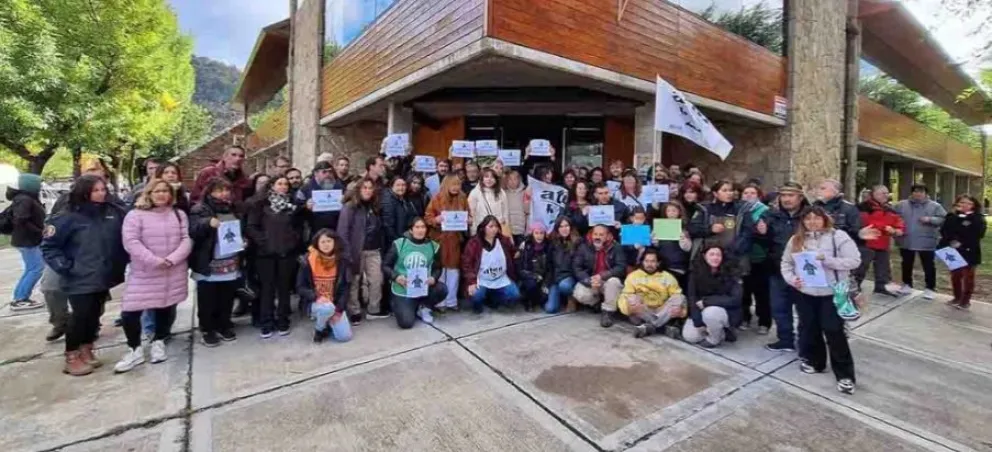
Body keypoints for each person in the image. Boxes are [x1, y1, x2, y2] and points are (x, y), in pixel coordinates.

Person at [41, 175, 128, 376]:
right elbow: (50, 246)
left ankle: (86, 347)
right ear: (84, 191)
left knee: (94, 315)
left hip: (104, 275)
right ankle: (71, 355)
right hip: (79, 277)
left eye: (103, 189)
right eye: (96, 190)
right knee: (79, 317)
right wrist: (66, 267)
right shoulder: (67, 216)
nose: (101, 194)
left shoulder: (112, 213)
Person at [114, 179, 192, 373]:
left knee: (166, 306)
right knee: (130, 311)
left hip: (172, 269)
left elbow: (186, 239)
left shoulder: (179, 214)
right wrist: (154, 260)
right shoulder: (135, 215)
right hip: (145, 271)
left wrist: (173, 259)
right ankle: (134, 349)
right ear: (149, 193)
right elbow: (131, 241)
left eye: (165, 191)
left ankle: (159, 341)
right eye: (157, 191)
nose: (161, 194)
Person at [780, 206, 859, 395]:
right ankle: (816, 362)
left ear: (824, 219)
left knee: (834, 331)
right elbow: (786, 263)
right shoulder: (796, 240)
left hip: (832, 293)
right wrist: (793, 280)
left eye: (816, 218)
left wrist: (827, 260)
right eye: (808, 219)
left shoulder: (838, 236)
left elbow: (854, 260)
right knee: (810, 328)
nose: (812, 222)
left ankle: (845, 375)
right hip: (805, 293)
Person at [247, 175, 305, 337]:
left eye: (286, 184)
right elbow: (251, 227)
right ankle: (267, 322)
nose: (283, 187)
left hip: (286, 254)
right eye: (279, 183)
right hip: (265, 255)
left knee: (284, 289)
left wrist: (293, 240)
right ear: (272, 186)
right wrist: (264, 241)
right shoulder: (260, 204)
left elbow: (299, 227)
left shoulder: (292, 206)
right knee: (267, 289)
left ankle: (283, 321)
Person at [188, 177, 243, 347]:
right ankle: (207, 329)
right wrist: (207, 223)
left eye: (226, 190)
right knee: (207, 299)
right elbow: (193, 229)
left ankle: (224, 324)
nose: (224, 193)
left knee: (226, 297)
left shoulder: (233, 208)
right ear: (210, 192)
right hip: (209, 261)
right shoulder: (200, 209)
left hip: (229, 261)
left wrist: (243, 241)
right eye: (219, 190)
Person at [760, 182, 810, 352]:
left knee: (805, 310)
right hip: (777, 269)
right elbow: (762, 240)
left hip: (803, 271)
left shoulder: (810, 216)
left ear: (800, 197)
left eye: (791, 195)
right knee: (779, 308)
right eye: (783, 195)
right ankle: (785, 340)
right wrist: (760, 231)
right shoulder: (772, 214)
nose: (787, 199)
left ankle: (807, 343)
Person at [382, 217, 447, 327]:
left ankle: (424, 307)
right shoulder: (399, 244)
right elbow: (385, 266)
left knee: (442, 289)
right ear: (411, 230)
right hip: (403, 289)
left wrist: (433, 278)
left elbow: (438, 268)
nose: (420, 230)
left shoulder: (433, 246)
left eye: (423, 227)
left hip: (424, 287)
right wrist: (396, 277)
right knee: (406, 323)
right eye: (417, 227)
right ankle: (402, 305)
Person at [337, 178, 386, 322]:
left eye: (370, 188)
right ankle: (354, 311)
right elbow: (342, 232)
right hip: (356, 250)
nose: (368, 190)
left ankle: (373, 309)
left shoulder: (375, 206)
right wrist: (346, 253)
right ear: (358, 190)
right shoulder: (350, 207)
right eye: (364, 187)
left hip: (374, 250)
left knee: (376, 280)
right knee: (354, 281)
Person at [296, 228, 352, 342]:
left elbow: (345, 288)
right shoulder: (307, 260)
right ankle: (319, 329)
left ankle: (328, 322)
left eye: (329, 241)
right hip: (315, 303)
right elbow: (300, 287)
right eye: (323, 242)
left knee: (344, 337)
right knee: (327, 308)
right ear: (317, 243)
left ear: (334, 242)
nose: (326, 244)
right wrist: (316, 297)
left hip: (334, 303)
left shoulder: (342, 260)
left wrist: (339, 310)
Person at [619, 248, 687, 339]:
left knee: (680, 298)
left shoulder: (668, 277)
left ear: (658, 263)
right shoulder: (633, 276)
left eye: (653, 261)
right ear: (642, 262)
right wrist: (628, 308)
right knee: (631, 298)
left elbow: (678, 296)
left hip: (661, 310)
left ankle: (649, 327)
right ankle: (662, 327)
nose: (649, 264)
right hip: (642, 312)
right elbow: (624, 296)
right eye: (646, 261)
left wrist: (682, 312)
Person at [425, 175, 470, 311]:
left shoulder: (462, 198)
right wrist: (436, 220)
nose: (456, 187)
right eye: (453, 184)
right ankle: (440, 302)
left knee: (454, 271)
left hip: (455, 239)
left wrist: (469, 220)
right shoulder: (437, 198)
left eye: (458, 184)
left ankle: (451, 301)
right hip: (440, 239)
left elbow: (468, 214)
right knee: (441, 270)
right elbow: (427, 217)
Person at [682, 245, 741, 348]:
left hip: (724, 312)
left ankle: (715, 339)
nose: (715, 258)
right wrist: (698, 322)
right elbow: (692, 297)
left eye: (718, 255)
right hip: (700, 311)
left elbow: (735, 299)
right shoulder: (695, 272)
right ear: (705, 256)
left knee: (711, 313)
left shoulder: (731, 272)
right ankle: (719, 332)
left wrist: (707, 302)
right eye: (712, 254)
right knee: (690, 336)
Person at [894, 184, 947, 299]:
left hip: (926, 241)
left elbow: (944, 219)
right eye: (915, 191)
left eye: (921, 192)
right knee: (906, 263)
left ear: (926, 193)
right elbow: (893, 217)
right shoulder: (901, 205)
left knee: (928, 265)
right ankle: (907, 285)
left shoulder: (935, 206)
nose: (918, 194)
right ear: (912, 193)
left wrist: (930, 219)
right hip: (906, 240)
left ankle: (930, 288)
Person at [461, 216, 521, 314]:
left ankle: (494, 299)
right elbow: (466, 264)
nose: (494, 229)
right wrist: (471, 282)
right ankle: (478, 306)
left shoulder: (503, 240)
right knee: (476, 295)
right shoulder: (474, 243)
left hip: (500, 278)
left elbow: (513, 251)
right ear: (483, 228)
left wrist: (518, 251)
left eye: (496, 226)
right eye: (491, 226)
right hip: (481, 279)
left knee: (514, 294)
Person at [573, 224, 626, 327]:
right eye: (595, 234)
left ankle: (607, 312)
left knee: (614, 282)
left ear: (608, 236)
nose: (597, 237)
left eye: (601, 235)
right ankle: (596, 304)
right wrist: (589, 280)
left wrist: (602, 276)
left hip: (608, 281)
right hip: (592, 281)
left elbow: (621, 267)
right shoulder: (584, 247)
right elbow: (577, 267)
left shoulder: (616, 247)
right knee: (579, 293)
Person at [939, 194, 986, 310]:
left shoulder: (977, 218)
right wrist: (952, 240)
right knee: (955, 275)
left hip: (970, 251)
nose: (965, 205)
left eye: (969, 203)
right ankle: (957, 297)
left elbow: (978, 234)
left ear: (974, 206)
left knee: (968, 277)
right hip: (953, 250)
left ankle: (965, 301)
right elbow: (945, 230)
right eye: (962, 202)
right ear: (957, 203)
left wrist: (962, 242)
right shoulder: (952, 216)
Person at [7, 173, 46, 312]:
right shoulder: (24, 199)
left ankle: (20, 297)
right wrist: (39, 231)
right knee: (36, 268)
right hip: (27, 240)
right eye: (38, 183)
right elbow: (21, 220)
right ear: (30, 184)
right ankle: (21, 299)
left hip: (27, 239)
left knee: (32, 268)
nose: (40, 186)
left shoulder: (26, 198)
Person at [856, 185, 904, 297]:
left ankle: (881, 287)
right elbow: (857, 224)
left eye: (887, 193)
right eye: (882, 193)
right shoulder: (861, 207)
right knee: (860, 267)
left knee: (883, 268)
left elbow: (900, 226)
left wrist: (895, 231)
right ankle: (854, 286)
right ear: (873, 194)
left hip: (883, 243)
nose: (886, 195)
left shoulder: (890, 209)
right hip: (865, 243)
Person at [739, 184, 772, 333]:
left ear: (758, 195)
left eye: (752, 193)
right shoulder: (738, 209)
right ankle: (745, 317)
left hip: (759, 256)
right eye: (746, 192)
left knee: (761, 292)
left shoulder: (765, 211)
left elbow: (766, 232)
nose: (748, 195)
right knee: (744, 290)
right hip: (742, 257)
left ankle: (764, 322)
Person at [298, 161, 347, 234]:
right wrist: (306, 206)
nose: (328, 174)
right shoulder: (305, 189)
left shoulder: (340, 187)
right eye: (324, 172)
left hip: (335, 230)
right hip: (314, 231)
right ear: (316, 173)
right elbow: (297, 208)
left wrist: (345, 202)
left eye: (330, 172)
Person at [653, 202, 692, 291]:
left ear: (679, 212)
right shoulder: (660, 226)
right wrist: (655, 241)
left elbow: (688, 248)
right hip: (662, 265)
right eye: (668, 211)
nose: (671, 213)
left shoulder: (685, 228)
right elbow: (657, 246)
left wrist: (683, 240)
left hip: (678, 266)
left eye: (674, 211)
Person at [546, 216, 581, 313]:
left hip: (569, 277)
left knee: (564, 286)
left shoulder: (577, 242)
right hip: (556, 278)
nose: (564, 229)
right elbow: (549, 264)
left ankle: (572, 298)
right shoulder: (553, 243)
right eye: (561, 226)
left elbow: (578, 266)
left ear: (571, 227)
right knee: (550, 309)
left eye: (566, 226)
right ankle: (561, 299)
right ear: (557, 229)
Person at [814, 179, 862, 249]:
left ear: (835, 191)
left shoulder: (849, 208)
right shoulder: (814, 207)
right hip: (817, 246)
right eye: (818, 188)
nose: (818, 191)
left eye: (823, 188)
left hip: (840, 248)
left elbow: (855, 232)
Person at [516, 223, 551, 311]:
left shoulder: (549, 246)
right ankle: (528, 301)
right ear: (532, 233)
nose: (539, 236)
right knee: (531, 285)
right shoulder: (525, 245)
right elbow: (520, 267)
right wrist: (533, 276)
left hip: (544, 277)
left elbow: (551, 267)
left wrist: (546, 282)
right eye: (536, 233)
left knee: (544, 298)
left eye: (541, 233)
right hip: (529, 277)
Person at [468, 168, 511, 234]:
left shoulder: (501, 193)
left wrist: (505, 229)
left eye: (492, 177)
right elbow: (471, 214)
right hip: (481, 231)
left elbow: (506, 212)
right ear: (482, 179)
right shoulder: (475, 192)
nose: (489, 179)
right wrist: (474, 233)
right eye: (486, 176)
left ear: (496, 180)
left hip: (498, 230)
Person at [381, 176, 418, 249]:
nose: (401, 188)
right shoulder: (388, 201)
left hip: (403, 238)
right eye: (398, 185)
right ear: (392, 186)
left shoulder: (404, 199)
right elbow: (388, 226)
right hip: (394, 243)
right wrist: (398, 243)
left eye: (403, 185)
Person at [503, 170, 529, 244]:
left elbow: (528, 211)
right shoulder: (504, 193)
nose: (512, 181)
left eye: (515, 179)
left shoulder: (525, 193)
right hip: (508, 229)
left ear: (519, 180)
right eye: (510, 179)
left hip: (521, 229)